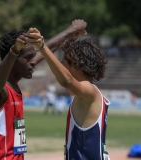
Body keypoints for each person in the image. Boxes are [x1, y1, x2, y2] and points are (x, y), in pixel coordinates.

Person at [0, 20, 88, 160]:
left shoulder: (13, 83)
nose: (33, 62)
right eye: (28, 58)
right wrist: (14, 50)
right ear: (13, 58)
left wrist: (71, 30)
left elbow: (48, 47)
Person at [25, 19, 111, 160]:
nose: (60, 68)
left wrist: (42, 47)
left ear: (76, 67)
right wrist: (69, 37)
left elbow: (67, 80)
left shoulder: (91, 92)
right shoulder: (83, 96)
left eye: (63, 64)